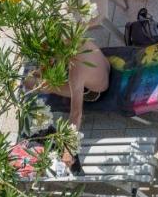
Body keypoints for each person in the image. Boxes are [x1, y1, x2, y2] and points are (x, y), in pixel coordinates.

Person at [25, 40, 111, 168]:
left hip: (95, 92)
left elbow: (76, 114)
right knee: (38, 75)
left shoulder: (75, 73)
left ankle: (51, 83)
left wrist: (67, 151)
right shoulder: (71, 37)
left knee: (31, 82)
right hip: (104, 64)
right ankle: (50, 71)